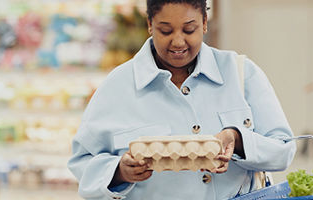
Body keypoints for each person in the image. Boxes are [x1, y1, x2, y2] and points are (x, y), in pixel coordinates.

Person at [67, 0, 296, 199]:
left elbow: (284, 149)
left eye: (189, 29)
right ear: (150, 24)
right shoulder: (117, 86)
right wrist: (119, 172)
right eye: (165, 31)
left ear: (205, 22)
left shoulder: (241, 74)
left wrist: (237, 140)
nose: (177, 42)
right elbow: (82, 162)